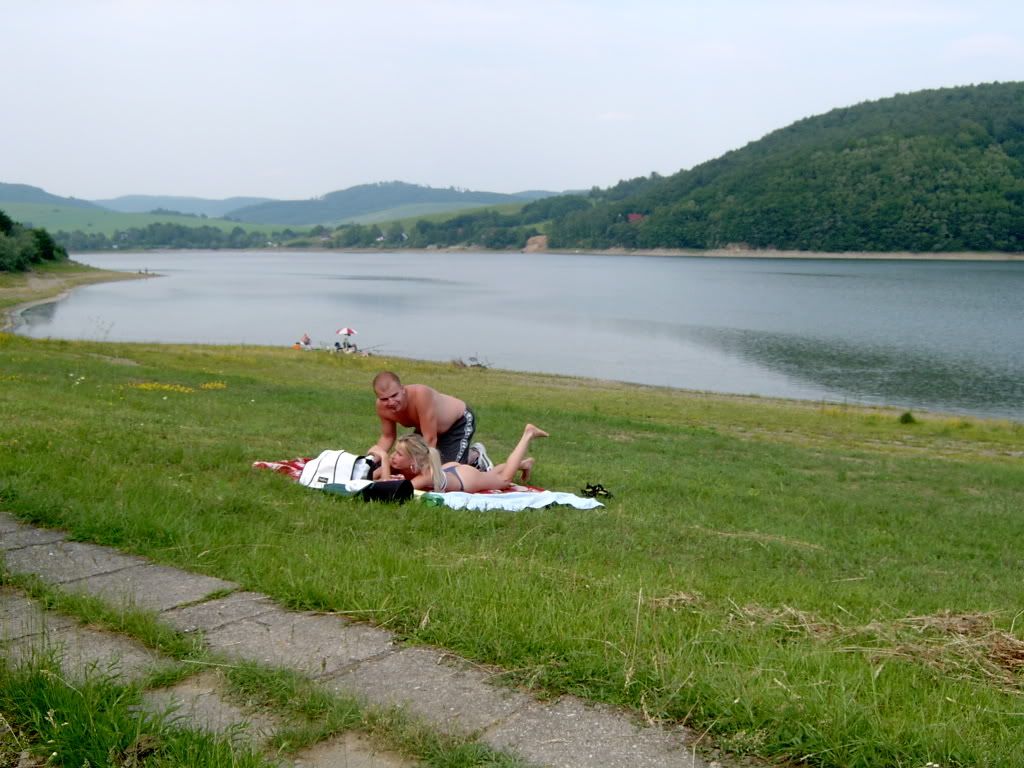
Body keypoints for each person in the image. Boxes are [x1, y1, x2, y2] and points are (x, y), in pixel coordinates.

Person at [370, 424, 548, 493]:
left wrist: (384, 458)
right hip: (450, 471)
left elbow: (391, 490)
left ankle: (528, 434)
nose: (393, 456)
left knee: (503, 479)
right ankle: (523, 463)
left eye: (398, 454)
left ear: (414, 461)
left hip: (465, 479)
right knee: (491, 475)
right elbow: (375, 477)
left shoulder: (426, 474)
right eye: (393, 453)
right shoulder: (414, 467)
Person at [368, 371, 490, 466]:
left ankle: (474, 456)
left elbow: (430, 439)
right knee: (402, 464)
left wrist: (423, 466)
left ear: (403, 389)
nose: (391, 402)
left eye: (394, 395)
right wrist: (371, 460)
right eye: (384, 399)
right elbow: (387, 437)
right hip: (426, 428)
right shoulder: (382, 407)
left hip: (457, 423)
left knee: (446, 473)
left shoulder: (420, 395)